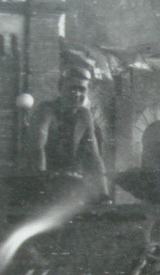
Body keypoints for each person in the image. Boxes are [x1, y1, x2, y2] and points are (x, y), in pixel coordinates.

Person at [29, 65, 110, 199]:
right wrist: (42, 186)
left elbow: (94, 156)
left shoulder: (85, 115)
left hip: (70, 180)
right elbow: (38, 149)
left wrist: (104, 193)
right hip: (42, 177)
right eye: (72, 88)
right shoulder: (46, 110)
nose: (77, 94)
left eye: (81, 89)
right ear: (61, 89)